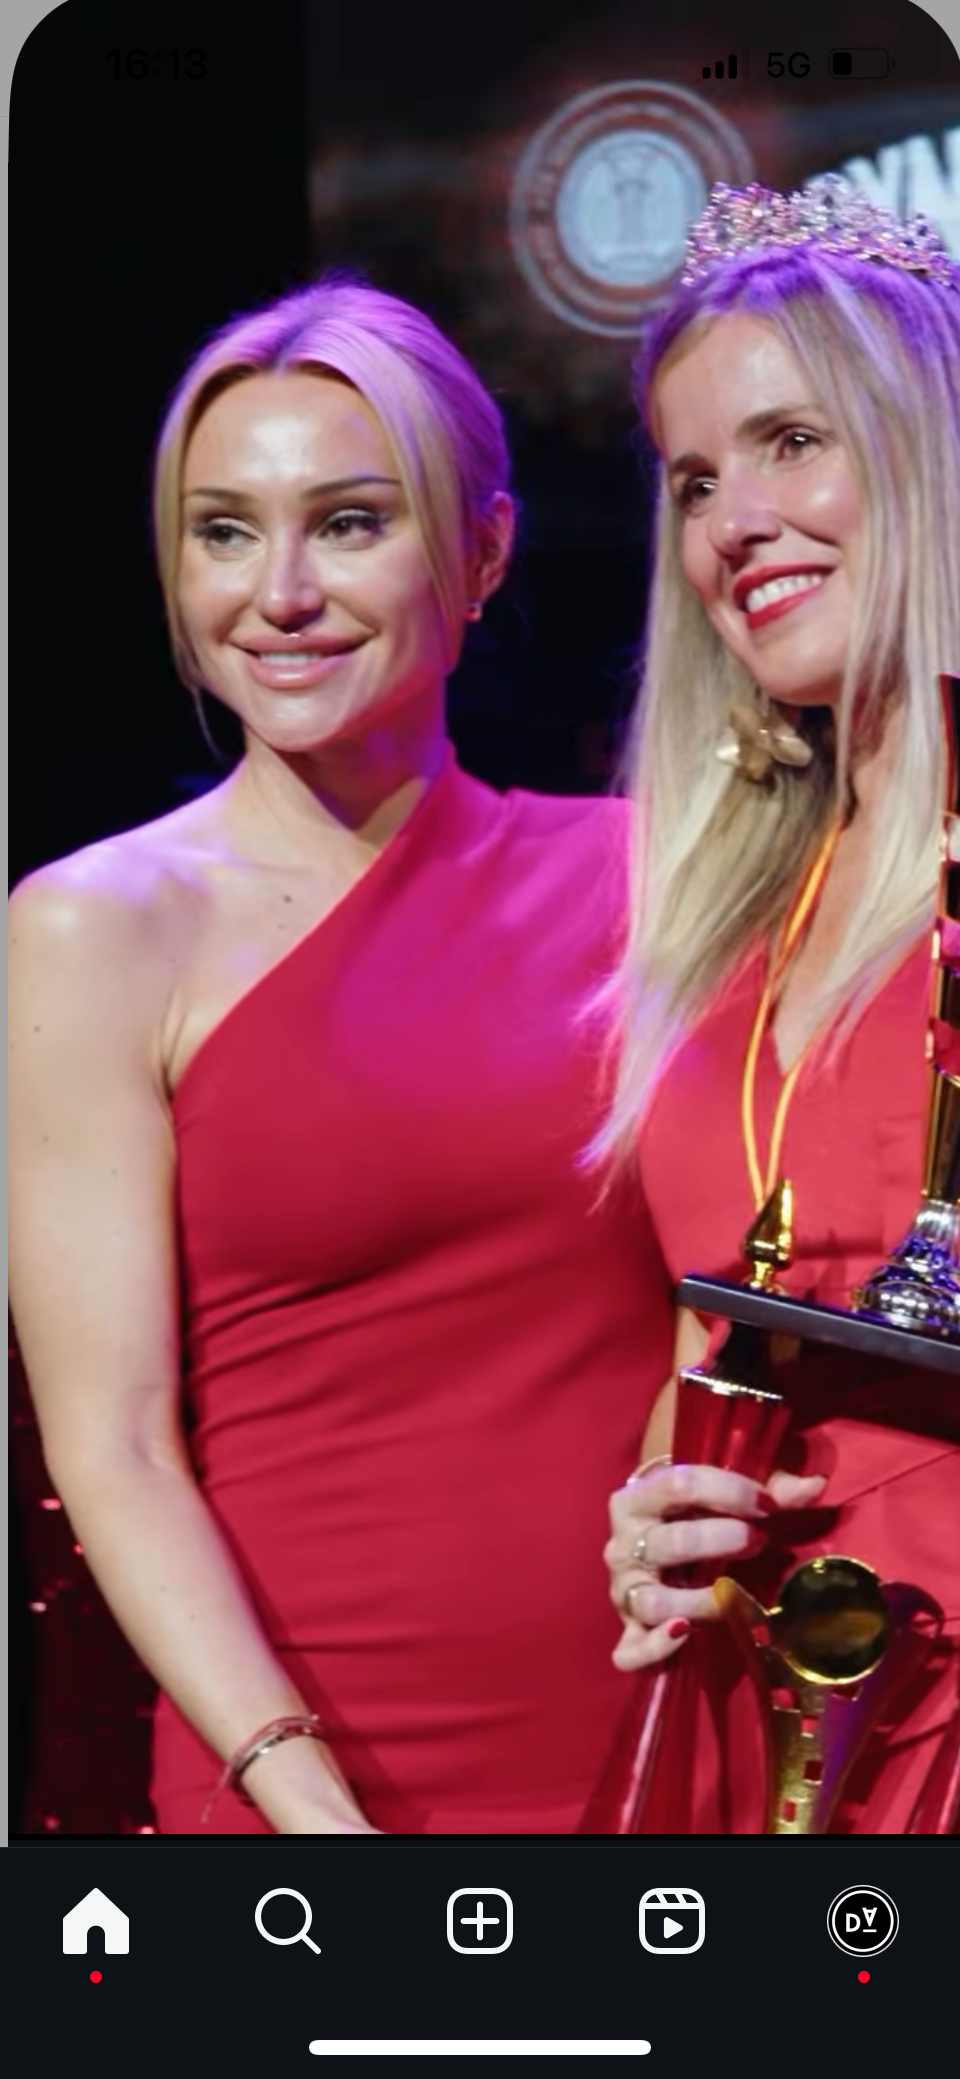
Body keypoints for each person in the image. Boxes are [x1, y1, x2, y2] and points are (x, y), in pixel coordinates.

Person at [8, 279, 675, 1835]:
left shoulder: (647, 877)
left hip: (653, 1746)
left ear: (483, 555)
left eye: (351, 522)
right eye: (224, 532)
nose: (281, 592)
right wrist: (302, 1798)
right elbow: (112, 1440)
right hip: (297, 1785)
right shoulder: (93, 931)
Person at [599, 177, 960, 1833]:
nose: (732, 523)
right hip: (769, 1730)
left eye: (791, 442)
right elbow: (722, 1310)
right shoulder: (731, 915)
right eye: (693, 481)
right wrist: (659, 1509)